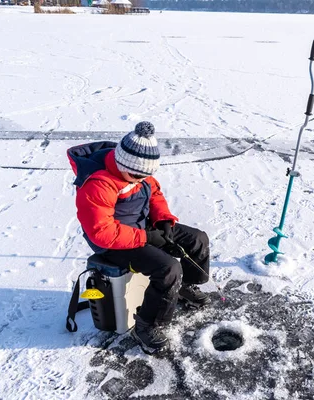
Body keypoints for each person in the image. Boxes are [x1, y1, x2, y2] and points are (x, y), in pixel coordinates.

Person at [67, 121, 210, 352]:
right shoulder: (98, 184)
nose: (140, 179)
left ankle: (185, 287)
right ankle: (146, 326)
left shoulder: (138, 171)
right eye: (135, 175)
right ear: (121, 163)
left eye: (146, 175)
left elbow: (154, 193)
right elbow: (102, 232)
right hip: (112, 243)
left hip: (141, 228)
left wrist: (163, 219)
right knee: (167, 268)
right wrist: (147, 238)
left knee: (197, 239)